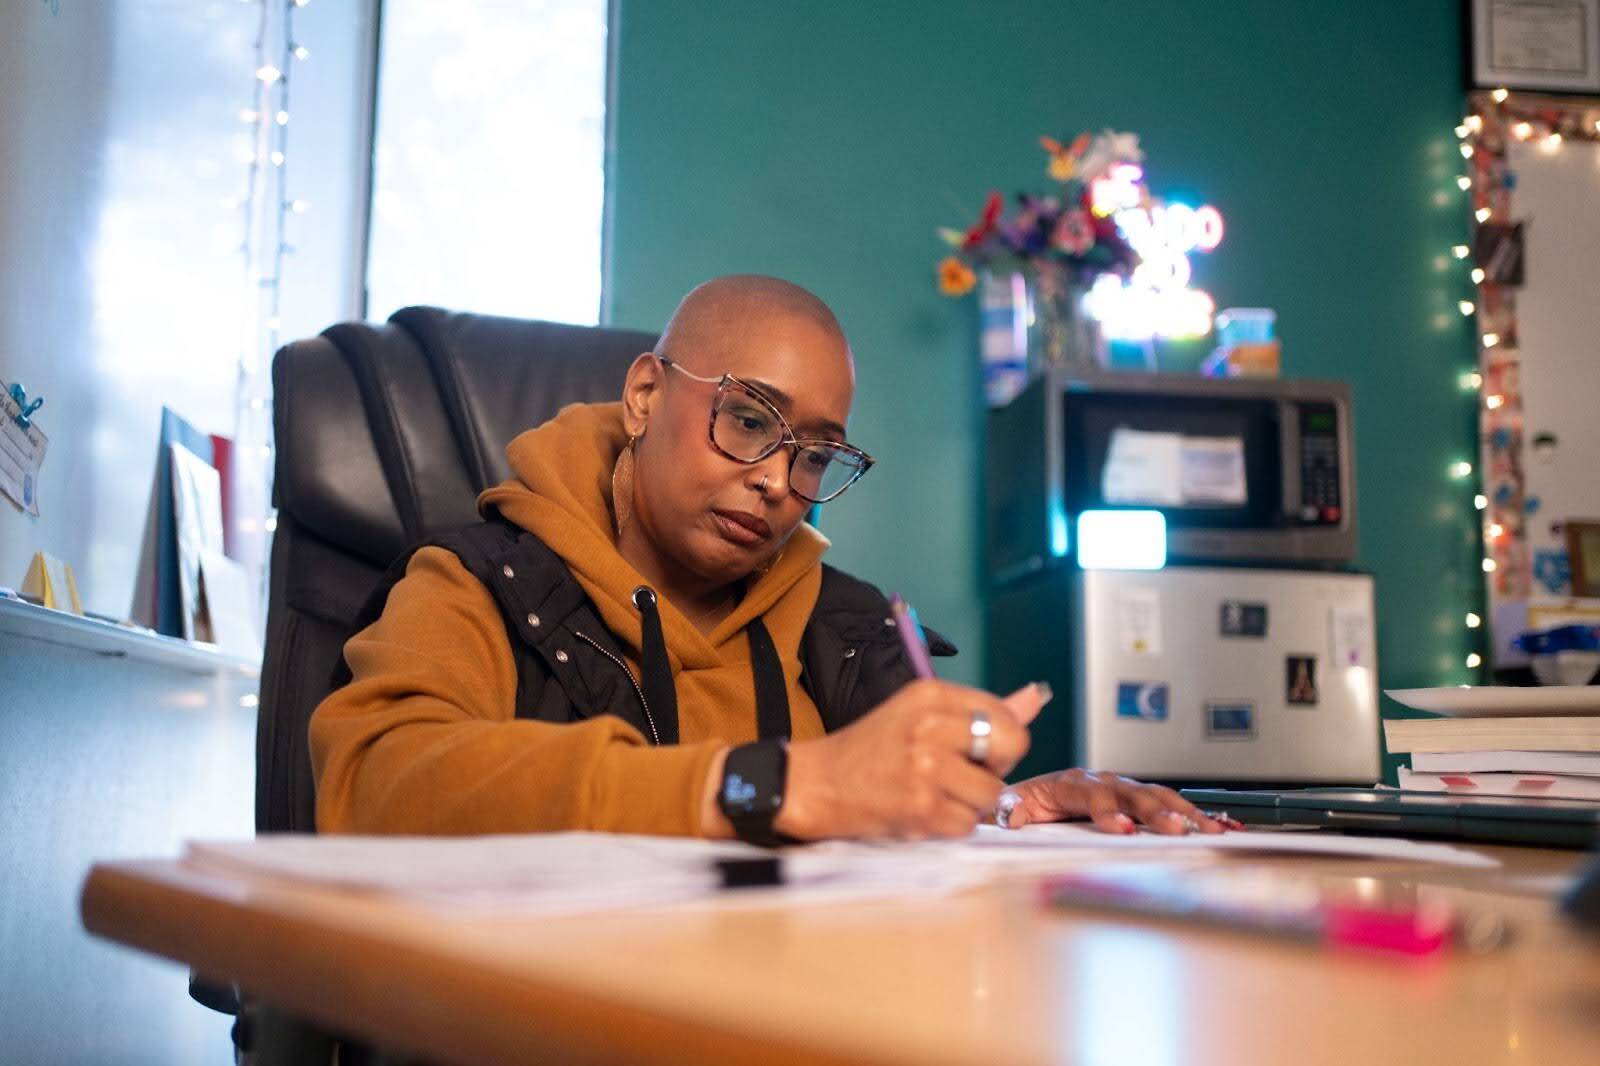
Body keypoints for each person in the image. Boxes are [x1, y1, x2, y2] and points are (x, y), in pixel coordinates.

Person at [310, 275, 1224, 844]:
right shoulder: (481, 583)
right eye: (749, 420)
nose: (780, 482)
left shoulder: (844, 627)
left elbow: (888, 810)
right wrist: (762, 786)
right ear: (644, 396)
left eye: (815, 454)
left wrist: (1005, 809)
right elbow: (376, 782)